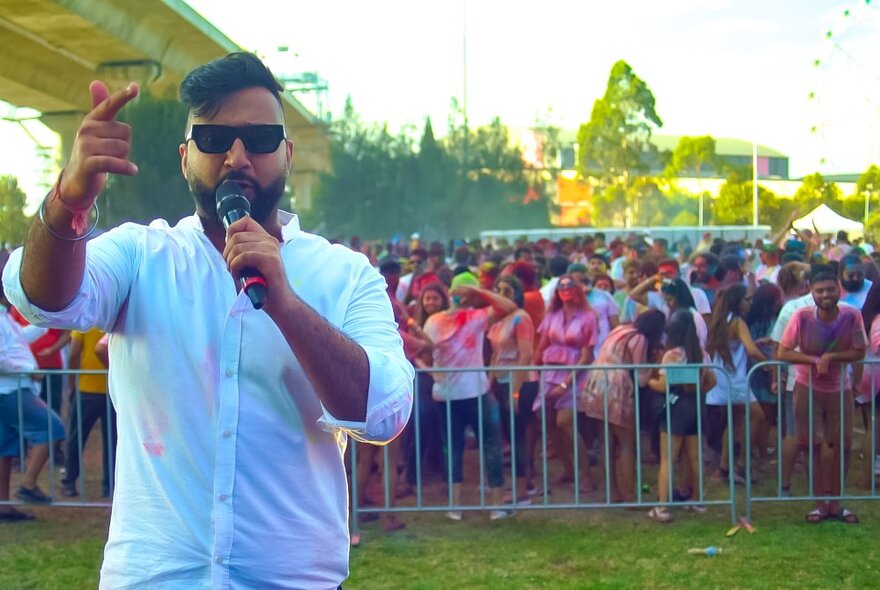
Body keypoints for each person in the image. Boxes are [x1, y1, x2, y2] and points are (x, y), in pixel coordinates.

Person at [3, 52, 413, 587]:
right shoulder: (140, 254)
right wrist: (68, 201)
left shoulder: (344, 274)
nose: (237, 158)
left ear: (287, 154)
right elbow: (40, 299)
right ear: (184, 158)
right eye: (214, 140)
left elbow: (383, 412)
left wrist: (285, 302)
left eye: (261, 139)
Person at [423, 272, 517, 521]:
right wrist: (482, 294)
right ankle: (495, 505)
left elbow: (423, 349)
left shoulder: (434, 321)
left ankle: (455, 506)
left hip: (448, 394)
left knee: (453, 447)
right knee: (490, 444)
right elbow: (509, 307)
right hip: (474, 393)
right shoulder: (475, 317)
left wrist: (431, 373)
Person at [778, 264, 867, 524]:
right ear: (811, 292)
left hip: (840, 388)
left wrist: (831, 356)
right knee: (811, 446)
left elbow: (859, 351)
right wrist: (813, 360)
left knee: (842, 445)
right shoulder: (801, 316)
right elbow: (782, 352)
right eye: (820, 291)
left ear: (838, 289)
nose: (826, 295)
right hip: (807, 387)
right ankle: (819, 503)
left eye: (830, 289)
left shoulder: (852, 315)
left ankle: (836, 503)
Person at [581, 310, 666, 503]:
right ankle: (629, 494)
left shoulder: (620, 329)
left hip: (597, 380)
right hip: (616, 385)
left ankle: (612, 492)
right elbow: (642, 377)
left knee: (606, 441)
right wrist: (656, 367)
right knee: (627, 442)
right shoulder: (639, 339)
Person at [0, 282, 66, 521]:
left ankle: (3, 506)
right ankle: (27, 484)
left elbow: (20, 338)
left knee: (5, 448)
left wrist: (52, 318)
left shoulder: (4, 317)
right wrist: (27, 370)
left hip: (11, 389)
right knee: (52, 428)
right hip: (11, 390)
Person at [647, 309, 716, 523]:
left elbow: (662, 385)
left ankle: (662, 507)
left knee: (668, 460)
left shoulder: (671, 355)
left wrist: (648, 380)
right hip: (695, 407)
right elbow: (712, 380)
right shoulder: (702, 354)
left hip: (675, 409)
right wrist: (698, 389)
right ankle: (698, 500)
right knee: (695, 458)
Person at [533, 275, 598, 487]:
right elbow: (542, 345)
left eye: (569, 287)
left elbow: (586, 356)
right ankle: (568, 469)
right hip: (549, 372)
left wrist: (565, 384)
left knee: (565, 423)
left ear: (577, 290)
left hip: (574, 374)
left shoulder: (588, 316)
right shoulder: (552, 314)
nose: (565, 290)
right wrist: (532, 373)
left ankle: (586, 475)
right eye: (561, 288)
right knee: (550, 425)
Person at [705, 284, 767, 484]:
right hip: (736, 380)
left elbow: (735, 346)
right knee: (758, 416)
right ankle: (741, 464)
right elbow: (750, 350)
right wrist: (768, 364)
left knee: (734, 422)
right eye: (747, 299)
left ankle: (723, 468)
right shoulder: (738, 322)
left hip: (722, 378)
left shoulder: (720, 320)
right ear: (737, 301)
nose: (750, 303)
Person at [486, 275, 538, 503]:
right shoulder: (499, 320)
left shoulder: (521, 318)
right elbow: (496, 355)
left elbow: (525, 354)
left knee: (518, 436)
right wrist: (489, 382)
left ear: (516, 294)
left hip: (521, 382)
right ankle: (521, 483)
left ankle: (522, 489)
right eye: (498, 289)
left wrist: (516, 391)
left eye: (507, 290)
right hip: (502, 381)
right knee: (509, 434)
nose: (502, 294)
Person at [59, 327, 116, 499]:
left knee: (76, 438)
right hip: (112, 389)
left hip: (87, 388)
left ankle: (69, 481)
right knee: (112, 440)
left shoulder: (85, 323)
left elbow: (74, 353)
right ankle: (109, 485)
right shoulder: (114, 321)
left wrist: (71, 384)